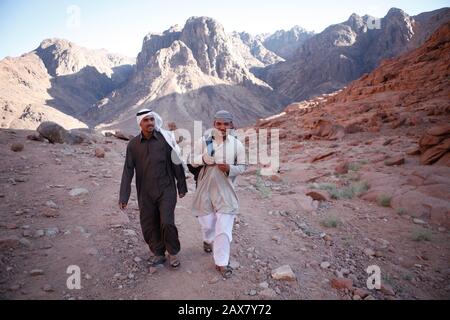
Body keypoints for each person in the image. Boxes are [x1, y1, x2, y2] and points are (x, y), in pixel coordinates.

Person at [119, 109, 187, 268]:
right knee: (149, 223)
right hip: (145, 192)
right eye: (146, 120)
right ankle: (158, 253)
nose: (150, 123)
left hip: (167, 189)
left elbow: (176, 161)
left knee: (167, 222)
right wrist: (124, 196)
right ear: (140, 124)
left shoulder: (165, 139)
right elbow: (128, 170)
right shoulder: (133, 145)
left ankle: (173, 252)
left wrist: (181, 185)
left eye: (152, 119)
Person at [190, 110, 246, 278]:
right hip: (205, 189)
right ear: (214, 124)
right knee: (208, 224)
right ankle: (208, 239)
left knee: (223, 228)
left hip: (225, 191)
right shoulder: (203, 142)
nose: (222, 127)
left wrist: (229, 168)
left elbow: (243, 166)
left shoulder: (237, 145)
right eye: (219, 124)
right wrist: (204, 159)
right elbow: (191, 160)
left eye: (226, 124)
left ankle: (221, 262)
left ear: (232, 125)